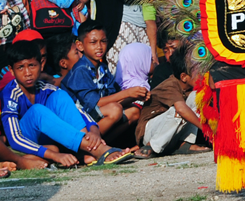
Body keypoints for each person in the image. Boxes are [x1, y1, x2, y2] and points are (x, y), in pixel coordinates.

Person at [0, 40, 134, 167]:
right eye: (21, 68)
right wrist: (54, 155)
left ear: (41, 65)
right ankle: (94, 150)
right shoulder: (11, 93)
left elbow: (77, 109)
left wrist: (93, 131)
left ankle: (89, 147)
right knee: (37, 111)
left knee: (60, 95)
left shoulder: (45, 88)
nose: (28, 73)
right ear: (11, 70)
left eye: (32, 66)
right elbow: (15, 138)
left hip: (51, 139)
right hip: (25, 143)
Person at [61, 20, 147, 138]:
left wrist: (135, 97)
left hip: (97, 116)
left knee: (134, 112)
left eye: (103, 41)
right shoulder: (80, 70)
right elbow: (96, 103)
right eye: (93, 42)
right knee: (115, 110)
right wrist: (127, 92)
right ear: (80, 45)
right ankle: (88, 147)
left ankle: (106, 144)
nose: (99, 47)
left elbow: (112, 99)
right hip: (78, 122)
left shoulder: (103, 69)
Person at [135, 47, 210, 158]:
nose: (202, 74)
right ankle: (151, 146)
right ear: (184, 77)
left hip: (171, 133)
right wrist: (207, 130)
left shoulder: (189, 87)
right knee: (179, 111)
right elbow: (181, 109)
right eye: (198, 72)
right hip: (150, 132)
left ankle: (185, 143)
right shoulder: (170, 85)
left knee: (198, 97)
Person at [115, 43, 153, 110]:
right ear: (141, 62)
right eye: (151, 59)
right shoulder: (140, 88)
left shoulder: (115, 84)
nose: (155, 62)